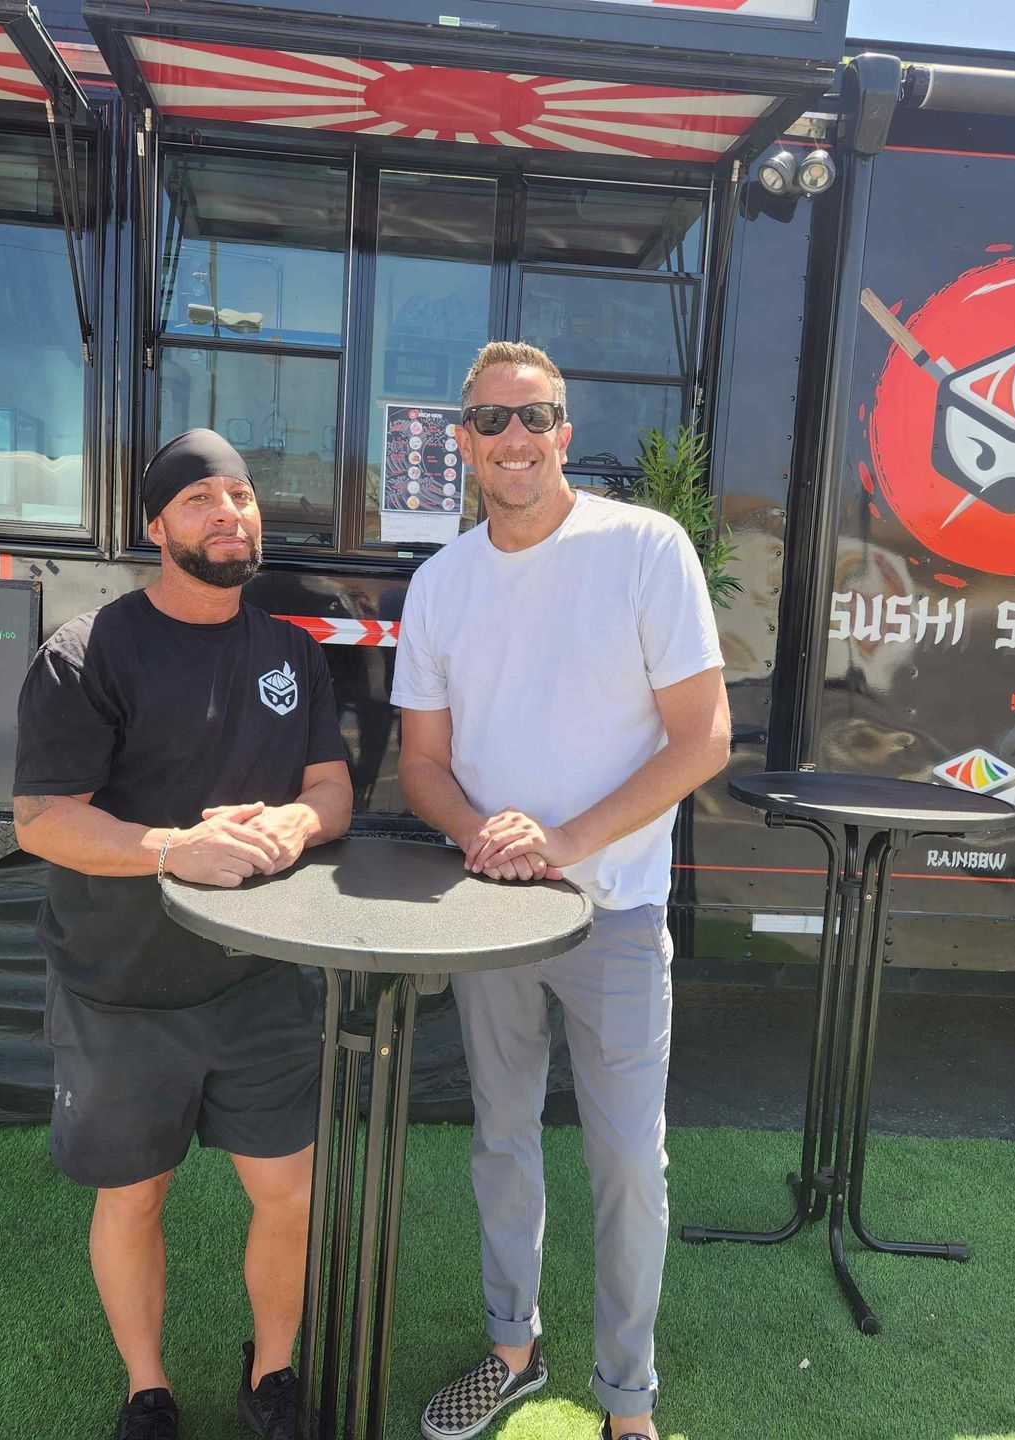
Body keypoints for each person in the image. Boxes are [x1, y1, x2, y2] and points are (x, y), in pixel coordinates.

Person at [392, 342, 731, 1440]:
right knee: (501, 1137)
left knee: (630, 1160)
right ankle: (513, 1349)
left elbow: (702, 741)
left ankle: (628, 1404)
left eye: (532, 417)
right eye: (489, 421)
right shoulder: (440, 585)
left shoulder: (644, 548)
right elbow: (424, 766)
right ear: (462, 442)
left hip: (617, 915)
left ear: (566, 432)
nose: (513, 440)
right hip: (495, 917)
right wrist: (479, 834)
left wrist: (567, 841)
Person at [12, 429, 352, 1440]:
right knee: (134, 1197)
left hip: (261, 984)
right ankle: (147, 1388)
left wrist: (301, 820)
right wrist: (173, 849)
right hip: (120, 986)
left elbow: (331, 787)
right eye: (201, 498)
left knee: (287, 1193)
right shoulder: (86, 654)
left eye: (242, 495)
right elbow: (42, 821)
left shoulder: (291, 652)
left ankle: (274, 1372)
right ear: (157, 527)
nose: (229, 513)